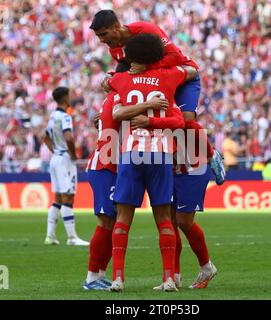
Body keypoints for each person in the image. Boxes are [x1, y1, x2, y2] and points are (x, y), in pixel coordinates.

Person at [89, 9, 226, 185]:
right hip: (160, 81)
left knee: (184, 121)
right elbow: (130, 74)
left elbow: (175, 56)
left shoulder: (146, 29)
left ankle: (211, 155)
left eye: (104, 34)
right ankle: (174, 166)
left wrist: (147, 66)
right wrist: (112, 79)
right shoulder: (114, 49)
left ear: (116, 27)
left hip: (184, 74)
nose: (101, 40)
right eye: (99, 36)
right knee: (162, 120)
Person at [107, 33, 196, 292]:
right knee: (164, 218)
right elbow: (191, 70)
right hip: (161, 153)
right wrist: (159, 65)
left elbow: (114, 104)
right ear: (156, 55)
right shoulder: (169, 76)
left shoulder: (120, 79)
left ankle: (118, 278)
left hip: (131, 152)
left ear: (132, 55)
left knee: (123, 218)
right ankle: (169, 278)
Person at [83, 62, 170, 290]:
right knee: (106, 221)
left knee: (112, 222)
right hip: (106, 164)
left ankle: (100, 274)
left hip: (115, 164)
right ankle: (92, 276)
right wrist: (150, 104)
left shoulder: (118, 97)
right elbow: (116, 118)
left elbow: (106, 122)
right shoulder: (120, 98)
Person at [43, 87, 89, 246]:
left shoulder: (52, 116)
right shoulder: (65, 116)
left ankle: (50, 236)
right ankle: (72, 238)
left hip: (55, 158)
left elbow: (45, 138)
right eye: (69, 96)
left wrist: (55, 150)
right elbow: (69, 137)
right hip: (64, 160)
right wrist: (74, 155)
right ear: (64, 98)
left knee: (57, 198)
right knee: (68, 197)